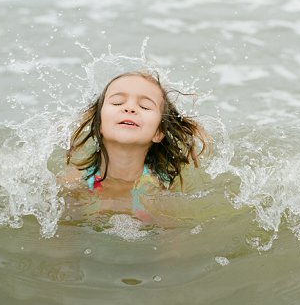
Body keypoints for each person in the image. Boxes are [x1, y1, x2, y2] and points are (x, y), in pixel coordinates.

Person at [62, 71, 211, 224]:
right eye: (117, 102)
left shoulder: (161, 190)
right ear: (99, 123)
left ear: (159, 132)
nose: (130, 108)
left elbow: (172, 241)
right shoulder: (74, 182)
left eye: (145, 107)